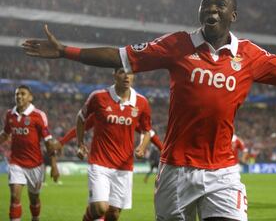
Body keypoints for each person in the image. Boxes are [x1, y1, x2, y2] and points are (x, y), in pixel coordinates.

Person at [22, 0, 276, 221]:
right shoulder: (177, 45)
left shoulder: (250, 56)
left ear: (232, 15)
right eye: (206, 5)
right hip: (176, 169)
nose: (211, 9)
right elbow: (119, 56)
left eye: (220, 5)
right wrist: (66, 52)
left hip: (222, 171)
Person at [76, 68, 152, 221]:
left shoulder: (141, 102)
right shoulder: (98, 97)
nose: (126, 76)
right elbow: (81, 118)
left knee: (113, 214)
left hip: (123, 167)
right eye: (122, 72)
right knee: (100, 208)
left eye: (130, 73)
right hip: (99, 162)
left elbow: (147, 131)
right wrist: (80, 143)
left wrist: (142, 147)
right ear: (114, 75)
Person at [0, 85, 59, 221]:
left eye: (22, 94)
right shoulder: (10, 114)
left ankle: (35, 217)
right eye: (17, 94)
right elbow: (5, 134)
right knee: (14, 196)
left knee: (34, 199)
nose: (19, 96)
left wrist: (54, 166)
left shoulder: (38, 115)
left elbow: (48, 142)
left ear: (30, 97)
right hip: (16, 163)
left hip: (35, 165)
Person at [47, 114, 163, 153]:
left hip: (122, 162)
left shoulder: (133, 109)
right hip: (100, 159)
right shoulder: (102, 104)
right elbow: (83, 127)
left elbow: (148, 132)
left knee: (114, 209)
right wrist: (62, 142)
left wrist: (162, 149)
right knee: (98, 205)